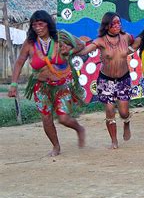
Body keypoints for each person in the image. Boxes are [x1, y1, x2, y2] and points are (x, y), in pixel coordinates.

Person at [8, 10, 86, 156]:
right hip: (41, 87)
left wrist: (69, 50)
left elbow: (81, 45)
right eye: (34, 25)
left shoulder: (60, 38)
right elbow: (19, 62)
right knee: (46, 118)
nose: (37, 27)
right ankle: (56, 146)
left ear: (47, 24)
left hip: (62, 85)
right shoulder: (30, 43)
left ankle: (79, 129)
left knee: (63, 118)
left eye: (41, 24)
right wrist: (13, 84)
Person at [78, 12, 134, 149]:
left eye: (118, 22)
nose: (117, 25)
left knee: (123, 112)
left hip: (123, 79)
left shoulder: (126, 37)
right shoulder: (100, 40)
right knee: (109, 110)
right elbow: (84, 51)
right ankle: (114, 140)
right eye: (113, 23)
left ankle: (126, 123)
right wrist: (73, 46)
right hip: (106, 81)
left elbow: (136, 42)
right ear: (107, 25)